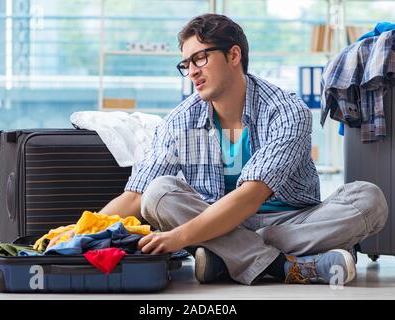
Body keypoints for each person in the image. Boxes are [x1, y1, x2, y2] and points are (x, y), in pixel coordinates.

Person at [51, 14, 388, 286]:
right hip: (214, 218)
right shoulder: (182, 120)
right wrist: (78, 231)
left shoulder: (286, 110)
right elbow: (137, 195)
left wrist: (182, 237)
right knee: (159, 192)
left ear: (234, 55)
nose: (193, 71)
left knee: (369, 199)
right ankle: (281, 266)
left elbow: (251, 195)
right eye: (186, 64)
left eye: (201, 57)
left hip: (287, 219)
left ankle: (226, 257)